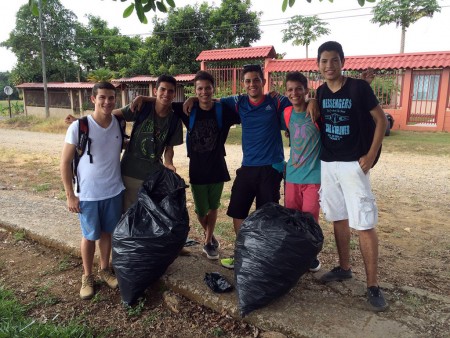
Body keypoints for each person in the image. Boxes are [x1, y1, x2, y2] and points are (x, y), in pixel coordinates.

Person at [185, 64, 318, 269]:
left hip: (270, 167)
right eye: (248, 81)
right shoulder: (238, 102)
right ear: (243, 84)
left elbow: (297, 101)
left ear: (263, 82)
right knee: (238, 211)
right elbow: (210, 100)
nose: (252, 84)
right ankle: (243, 253)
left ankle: (266, 255)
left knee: (268, 215)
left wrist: (312, 100)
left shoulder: (276, 101)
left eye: (256, 80)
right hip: (247, 167)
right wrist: (193, 98)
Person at [132, 71, 240, 260]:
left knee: (214, 207)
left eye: (208, 88)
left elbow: (244, 106)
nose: (204, 92)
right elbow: (163, 100)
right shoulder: (186, 109)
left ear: (213, 89)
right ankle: (210, 235)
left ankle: (207, 242)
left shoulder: (224, 110)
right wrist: (142, 97)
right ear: (195, 90)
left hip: (218, 167)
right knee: (200, 210)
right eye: (199, 89)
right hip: (197, 169)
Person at [314, 41, 388, 312]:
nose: (329, 66)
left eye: (334, 60)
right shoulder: (320, 92)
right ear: (318, 65)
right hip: (329, 163)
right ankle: (345, 268)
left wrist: (370, 155)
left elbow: (381, 120)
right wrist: (312, 100)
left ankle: (372, 285)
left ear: (342, 62)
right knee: (338, 217)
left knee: (364, 222)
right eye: (324, 61)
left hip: (353, 164)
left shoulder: (359, 88)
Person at [66, 75, 183, 212]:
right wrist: (82, 121)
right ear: (155, 91)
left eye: (170, 91)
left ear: (175, 94)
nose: (166, 94)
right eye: (163, 89)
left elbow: (169, 148)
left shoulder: (175, 120)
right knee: (126, 217)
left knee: (148, 217)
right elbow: (111, 114)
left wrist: (168, 162)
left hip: (153, 176)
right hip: (129, 173)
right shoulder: (142, 107)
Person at [60, 82, 125, 300]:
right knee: (89, 236)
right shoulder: (79, 127)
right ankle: (87, 276)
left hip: (114, 190)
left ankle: (105, 269)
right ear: (93, 99)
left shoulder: (119, 122)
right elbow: (65, 162)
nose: (107, 102)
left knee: (107, 233)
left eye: (111, 98)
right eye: (102, 97)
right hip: (88, 194)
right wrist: (70, 195)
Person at [283, 71, 322, 272]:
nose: (294, 93)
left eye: (299, 89)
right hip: (292, 176)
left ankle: (311, 255)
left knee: (310, 218)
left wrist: (314, 100)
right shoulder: (287, 113)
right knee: (293, 218)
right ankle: (295, 253)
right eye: (290, 89)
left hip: (314, 176)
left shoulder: (316, 112)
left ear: (306, 90)